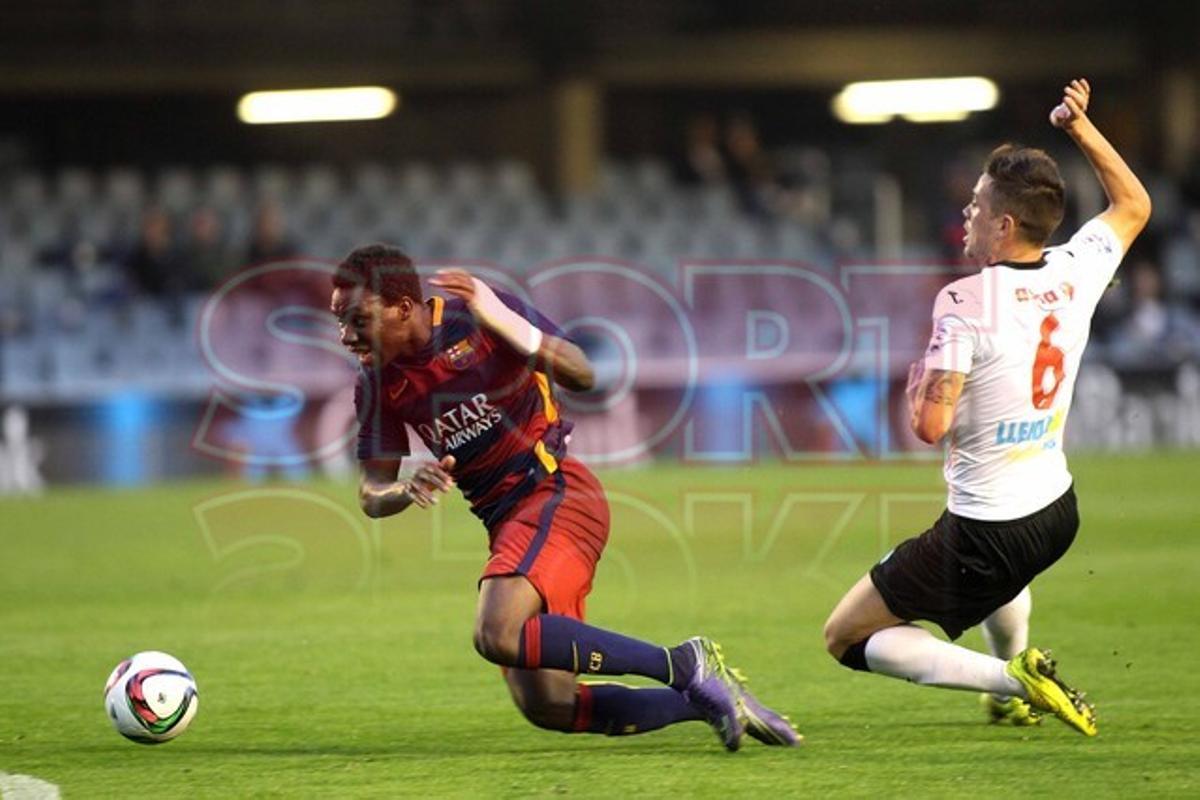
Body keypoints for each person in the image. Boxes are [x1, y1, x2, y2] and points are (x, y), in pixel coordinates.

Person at [331, 244, 797, 749]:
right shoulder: (376, 383)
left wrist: (507, 322)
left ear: (402, 306)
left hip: (556, 492)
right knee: (550, 704)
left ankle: (684, 663)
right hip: (506, 524)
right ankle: (711, 698)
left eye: (358, 319)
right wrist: (405, 487)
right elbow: (371, 493)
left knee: (497, 633)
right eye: (338, 321)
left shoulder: (476, 315)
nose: (346, 335)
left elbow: (582, 373)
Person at [823, 79, 1152, 736]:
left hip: (987, 529)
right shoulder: (1075, 267)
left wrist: (921, 380)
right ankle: (1009, 691)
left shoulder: (964, 303)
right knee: (1002, 581)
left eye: (975, 206)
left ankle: (1012, 681)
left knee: (846, 635)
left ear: (1003, 225)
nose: (965, 215)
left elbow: (929, 427)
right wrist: (1079, 127)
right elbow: (1134, 203)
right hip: (1056, 510)